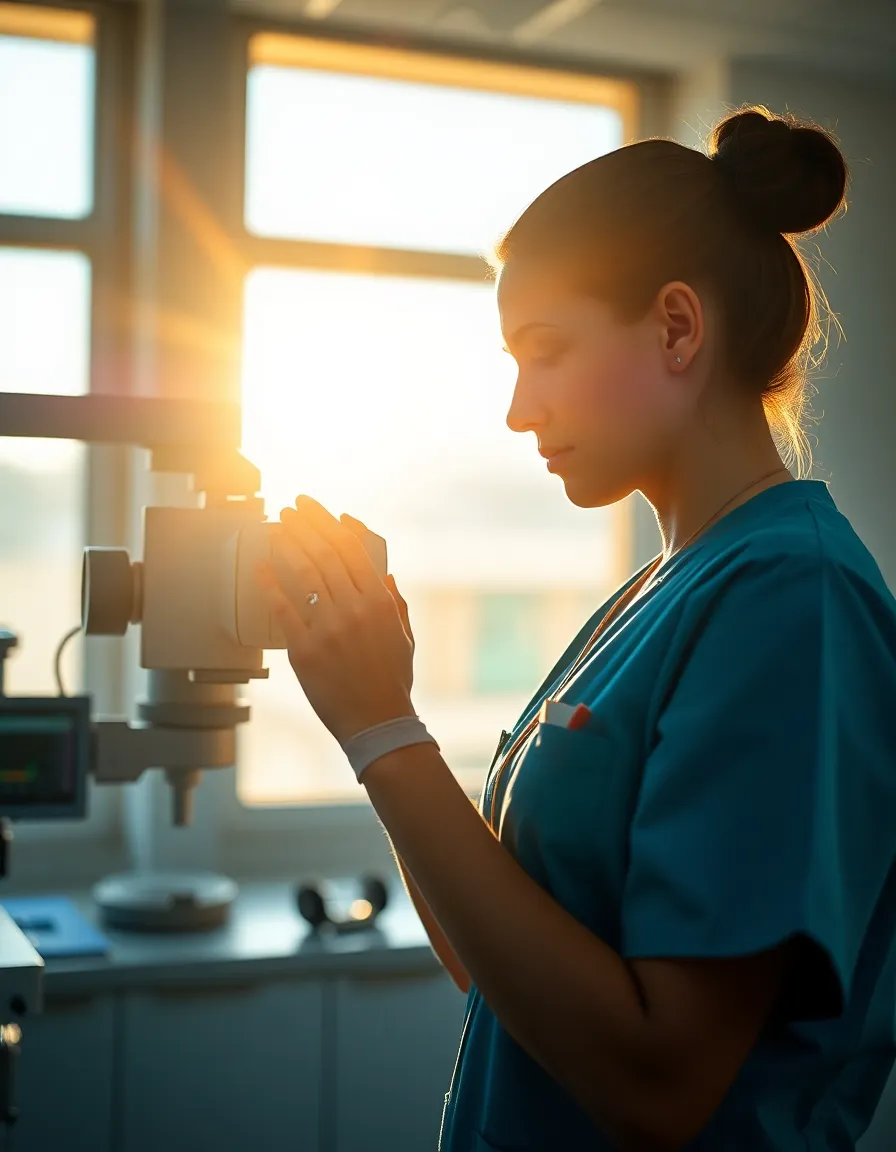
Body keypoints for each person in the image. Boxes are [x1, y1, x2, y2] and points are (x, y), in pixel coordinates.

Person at [255, 105, 896, 1151]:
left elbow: (657, 1085)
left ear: (677, 327)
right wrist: (379, 727)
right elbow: (491, 971)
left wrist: (385, 732)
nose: (517, 408)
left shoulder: (791, 600)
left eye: (544, 352)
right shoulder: (656, 590)